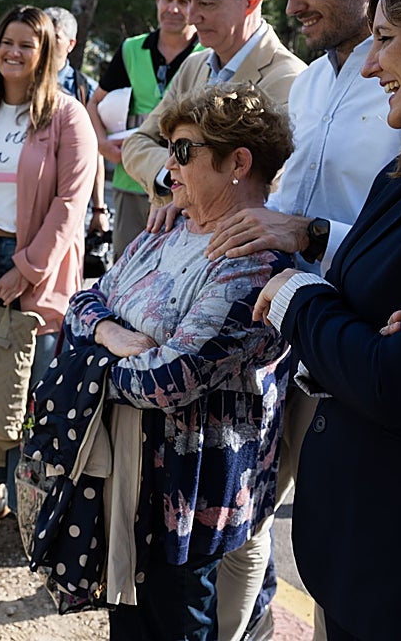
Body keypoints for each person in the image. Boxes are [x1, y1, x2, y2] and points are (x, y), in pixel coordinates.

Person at [202, 0, 401, 640]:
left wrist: (310, 234)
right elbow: (283, 194)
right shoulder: (314, 80)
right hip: (279, 338)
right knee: (244, 516)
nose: (292, 5)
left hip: (361, 353)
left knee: (343, 557)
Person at [253, 0, 401, 641]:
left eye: (385, 40)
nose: (370, 65)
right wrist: (360, 327)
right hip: (361, 553)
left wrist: (299, 298)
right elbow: (378, 322)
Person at [43, 81, 294, 640]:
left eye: (183, 151)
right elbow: (83, 302)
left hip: (186, 502)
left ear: (239, 163)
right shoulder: (166, 230)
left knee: (175, 623)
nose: (169, 165)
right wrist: (110, 332)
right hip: (129, 486)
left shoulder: (253, 264)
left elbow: (168, 378)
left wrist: (91, 361)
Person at [0, 5, 96, 542]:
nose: (14, 51)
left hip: (37, 269)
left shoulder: (67, 116)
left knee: (30, 394)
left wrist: (26, 269)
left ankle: (31, 510)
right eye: (8, 41)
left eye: (27, 44)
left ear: (46, 53)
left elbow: (71, 203)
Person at [122, 0, 306, 208]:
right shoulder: (193, 67)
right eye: (189, 1)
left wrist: (178, 178)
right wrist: (172, 179)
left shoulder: (292, 81)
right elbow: (137, 142)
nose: (191, 16)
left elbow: (270, 188)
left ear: (251, 0)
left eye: (206, 3)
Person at [86, 0, 201, 254]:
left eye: (183, 1)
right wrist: (102, 145)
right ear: (157, 0)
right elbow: (94, 102)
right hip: (131, 182)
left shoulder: (208, 54)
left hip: (186, 190)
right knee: (125, 267)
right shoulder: (131, 49)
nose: (173, 9)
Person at [46, 6, 109, 234]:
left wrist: (99, 208)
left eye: (54, 38)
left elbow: (96, 152)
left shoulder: (85, 90)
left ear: (71, 44)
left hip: (70, 199)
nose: (46, 43)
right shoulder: (18, 85)